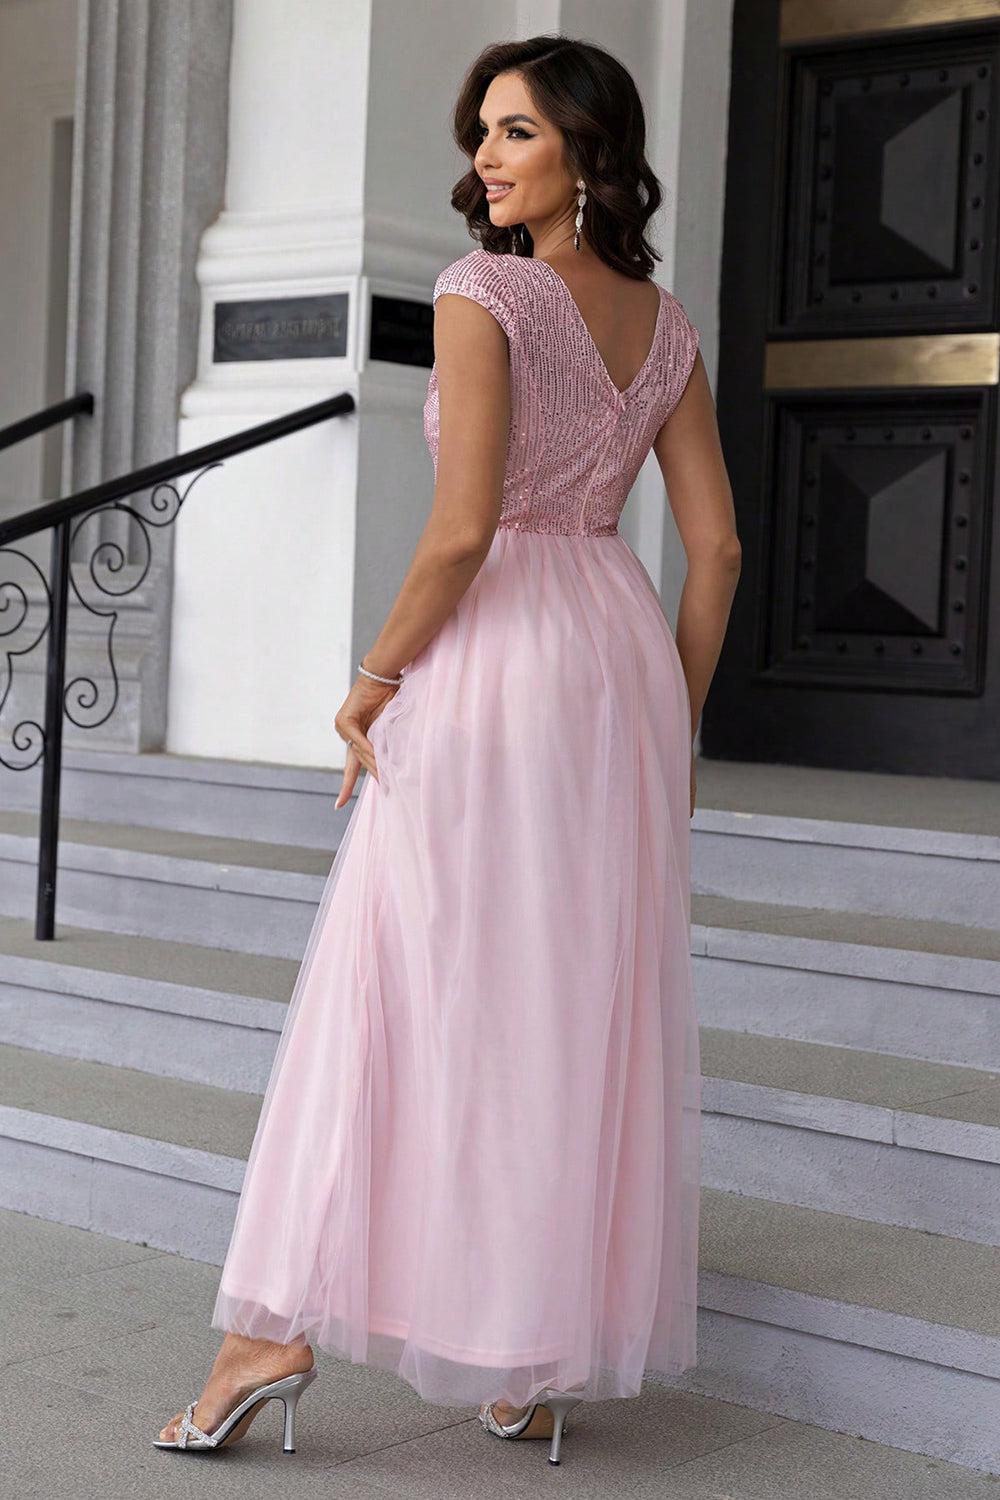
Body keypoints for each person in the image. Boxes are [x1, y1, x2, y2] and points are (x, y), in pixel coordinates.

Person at [155, 33, 739, 1469]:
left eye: (520, 131)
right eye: (483, 128)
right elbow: (716, 550)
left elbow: (466, 528)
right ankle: (525, 1348)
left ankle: (271, 1329)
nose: (485, 154)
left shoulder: (483, 291)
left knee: (397, 977)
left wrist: (371, 679)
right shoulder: (665, 328)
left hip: (496, 662)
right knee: (555, 1000)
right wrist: (668, 720)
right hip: (614, 658)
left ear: (591, 153)